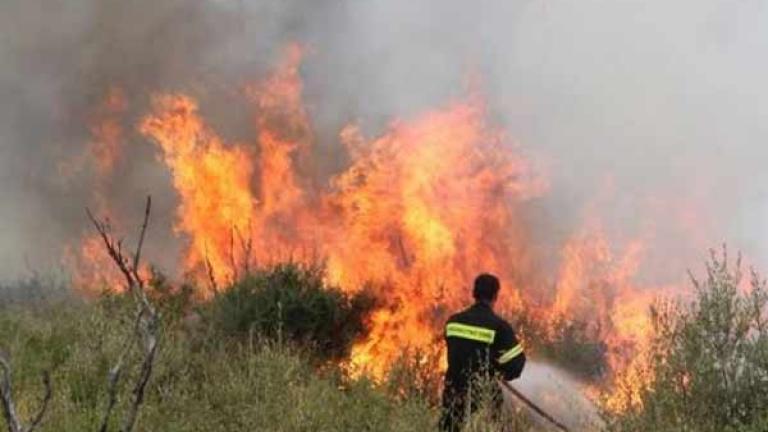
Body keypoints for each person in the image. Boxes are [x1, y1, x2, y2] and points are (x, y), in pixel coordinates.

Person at [440, 273, 526, 432]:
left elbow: (457, 351)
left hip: (453, 393)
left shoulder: (453, 322)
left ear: (474, 293)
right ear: (495, 296)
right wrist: (498, 371)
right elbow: (517, 363)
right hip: (484, 396)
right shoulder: (499, 326)